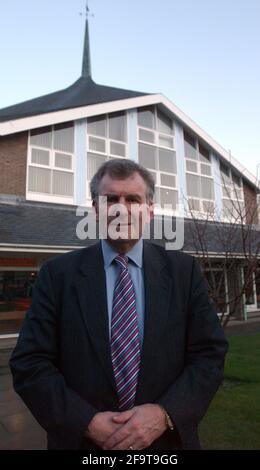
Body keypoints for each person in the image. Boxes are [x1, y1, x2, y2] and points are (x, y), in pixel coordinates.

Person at [10, 159, 228, 450]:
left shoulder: (183, 272)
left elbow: (209, 355)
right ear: (96, 210)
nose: (121, 209)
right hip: (84, 446)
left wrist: (165, 414)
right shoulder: (57, 275)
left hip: (167, 445)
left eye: (133, 199)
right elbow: (30, 363)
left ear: (149, 210)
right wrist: (85, 421)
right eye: (111, 199)